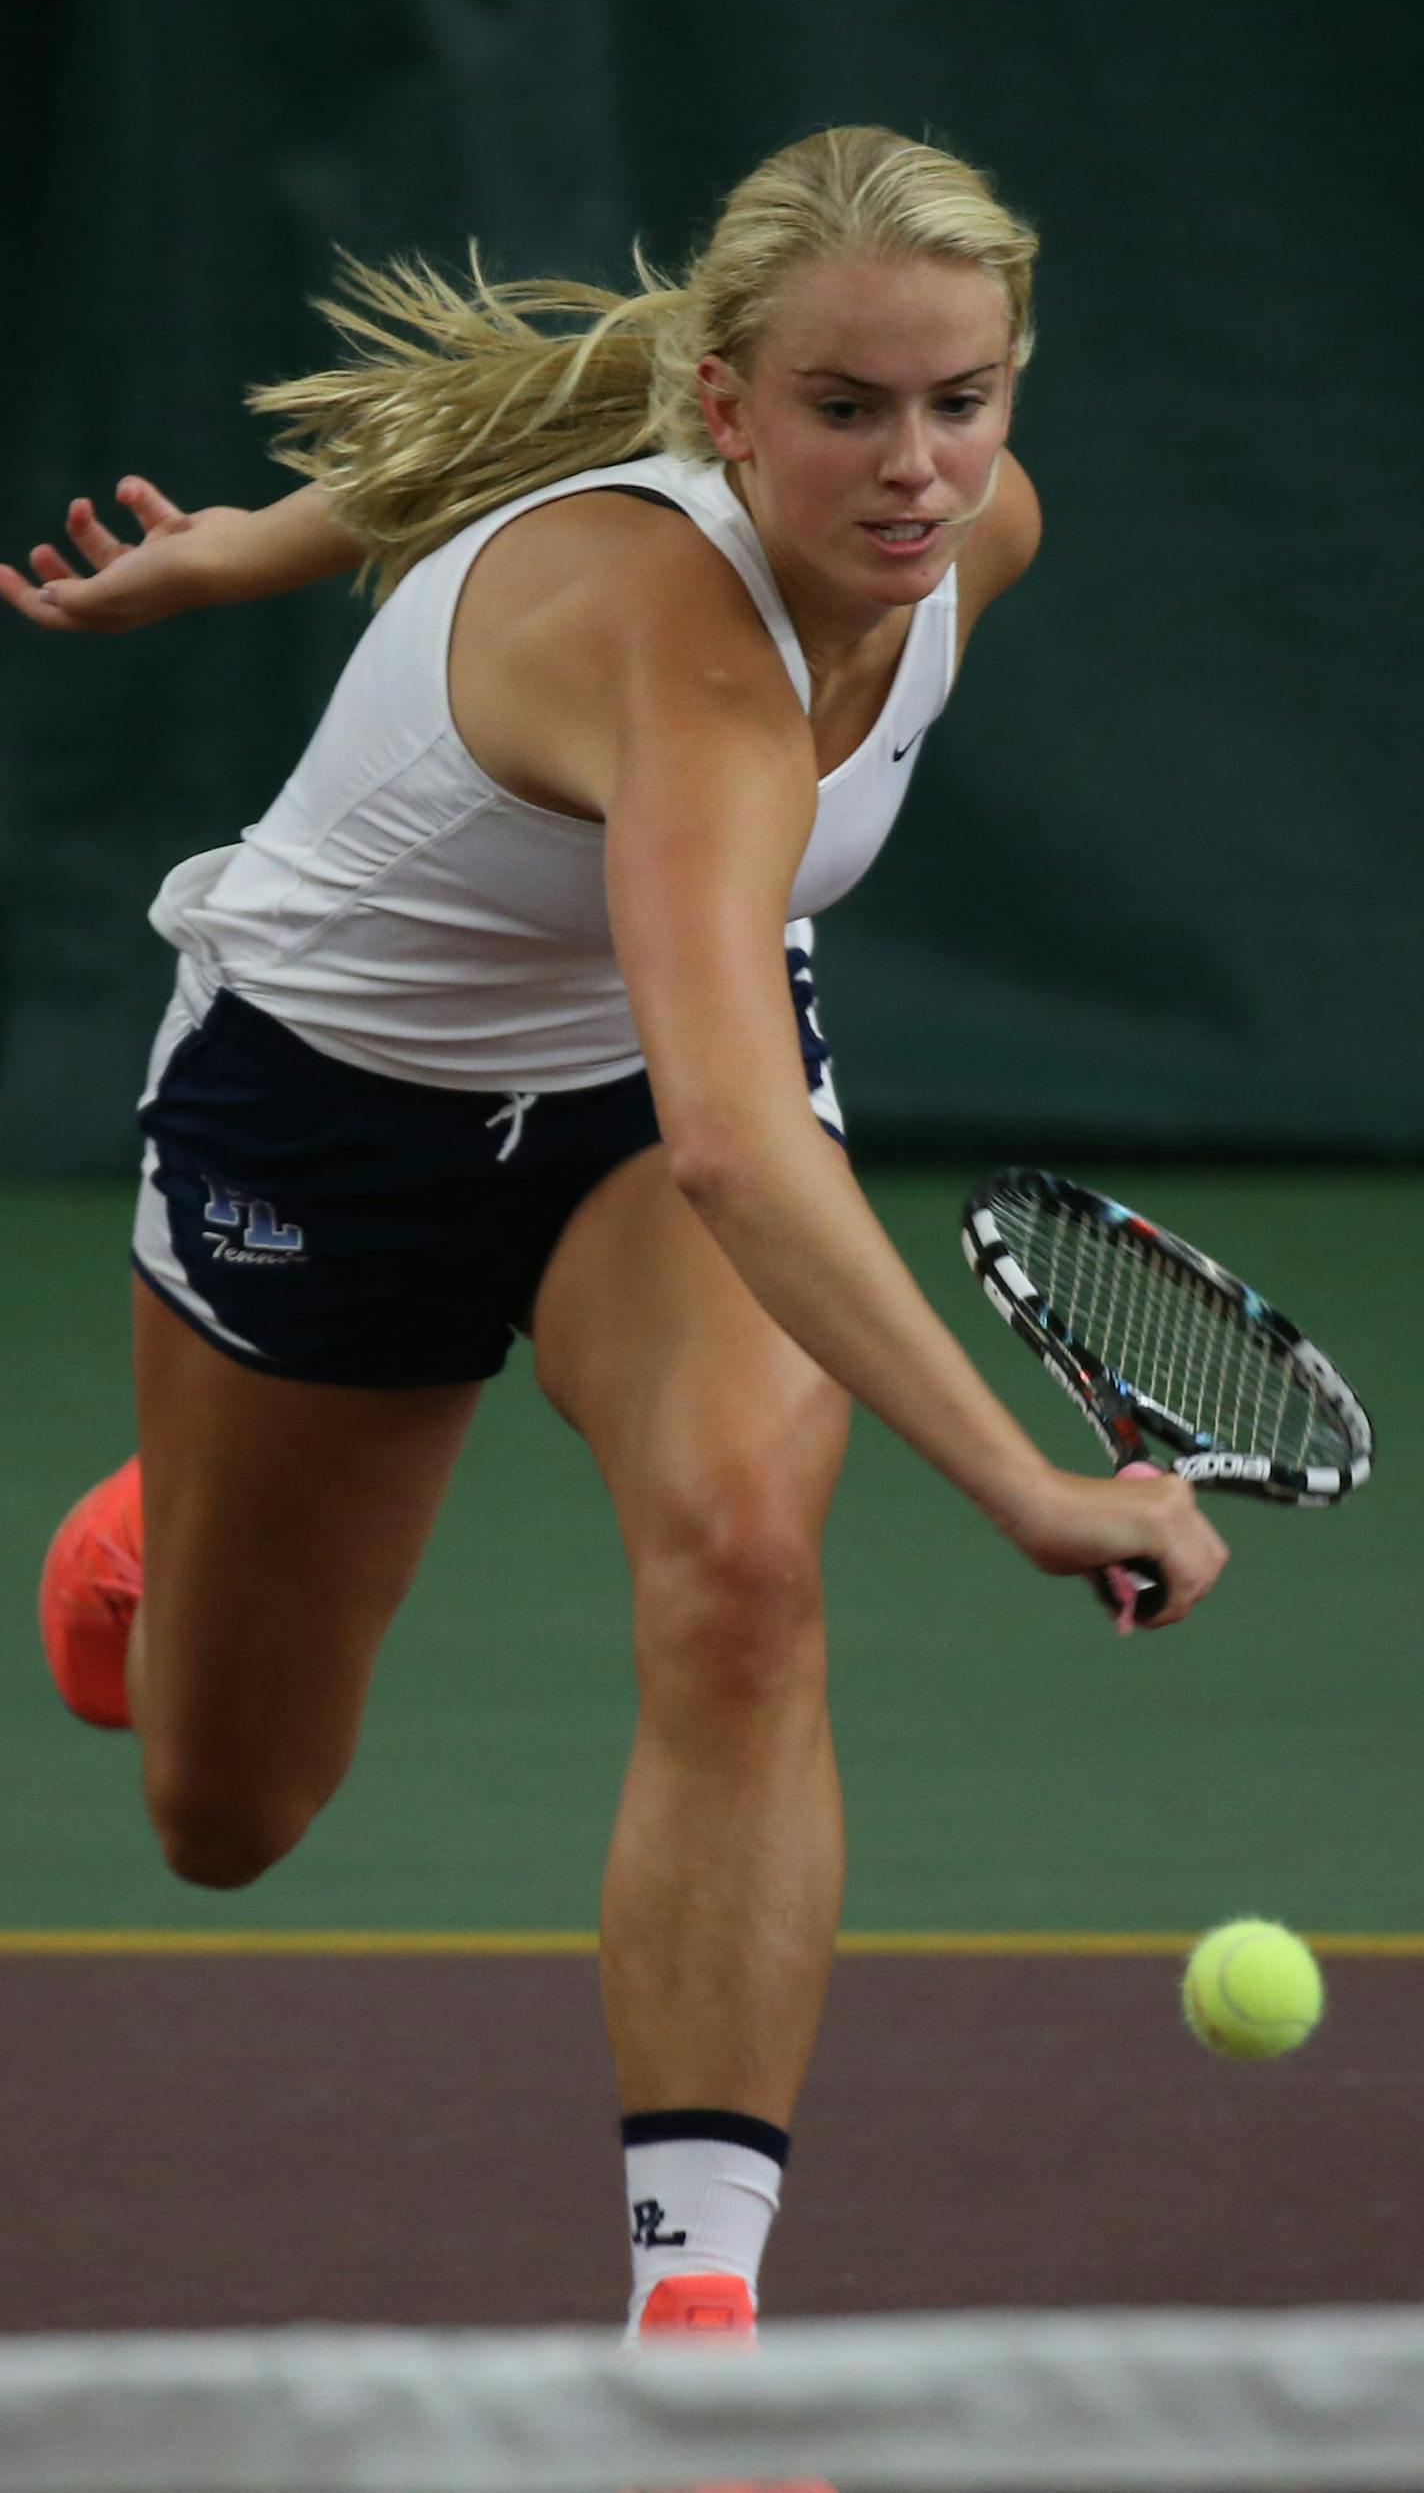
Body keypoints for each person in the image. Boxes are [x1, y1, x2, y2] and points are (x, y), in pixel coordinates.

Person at [4, 124, 1227, 2348]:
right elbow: (754, 1153)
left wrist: (253, 551)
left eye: (963, 399)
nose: (918, 469)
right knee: (225, 1812)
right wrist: (1029, 1483)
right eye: (848, 409)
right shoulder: (671, 638)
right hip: (329, 1118)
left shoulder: (973, 540)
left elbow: (708, 1117)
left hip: (639, 1106)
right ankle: (148, 1544)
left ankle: (695, 2330)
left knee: (747, 1559)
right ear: (733, 404)